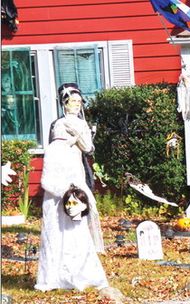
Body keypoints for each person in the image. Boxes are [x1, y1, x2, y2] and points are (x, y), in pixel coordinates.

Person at [35, 83, 108, 291]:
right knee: (58, 222)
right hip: (62, 175)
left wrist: (79, 136)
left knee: (77, 220)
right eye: (72, 102)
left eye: (78, 102)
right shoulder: (58, 128)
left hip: (76, 171)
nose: (76, 105)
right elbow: (56, 151)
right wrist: (70, 140)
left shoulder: (81, 124)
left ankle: (79, 271)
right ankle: (56, 274)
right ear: (64, 104)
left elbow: (88, 147)